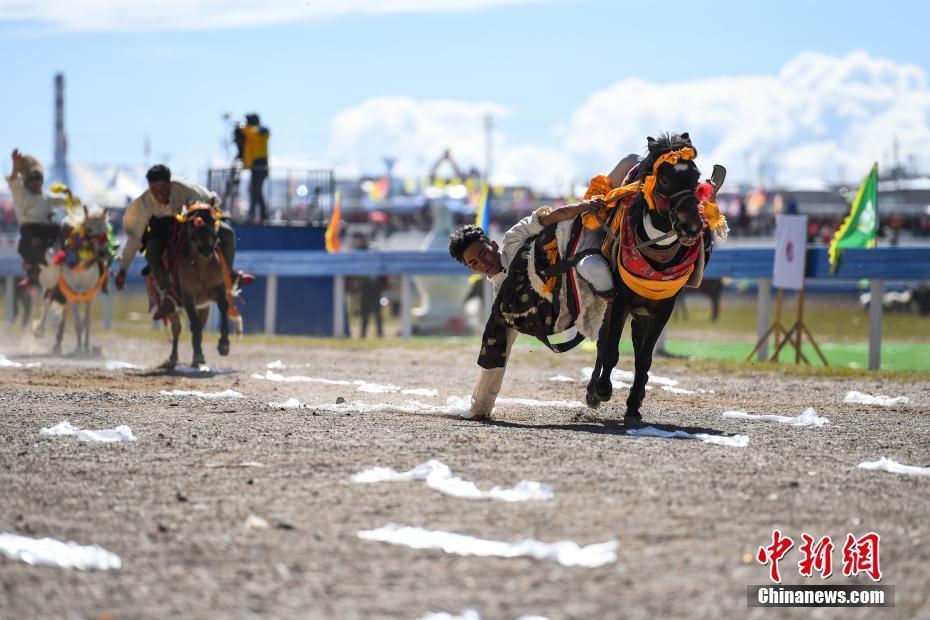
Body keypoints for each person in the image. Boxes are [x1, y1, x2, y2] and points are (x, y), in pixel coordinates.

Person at [449, 199, 614, 420]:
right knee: (494, 342)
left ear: (494, 245)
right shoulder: (503, 308)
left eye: (483, 254)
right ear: (470, 269)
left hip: (583, 267)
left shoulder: (513, 238)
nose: (483, 263)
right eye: (474, 263)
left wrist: (583, 206)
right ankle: (481, 405)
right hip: (565, 319)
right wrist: (480, 409)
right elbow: (495, 357)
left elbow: (550, 218)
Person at [114, 164, 253, 318]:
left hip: (189, 225)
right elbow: (134, 239)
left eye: (163, 190)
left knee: (227, 233)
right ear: (149, 187)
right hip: (161, 229)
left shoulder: (184, 189)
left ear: (170, 184)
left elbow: (207, 201)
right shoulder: (143, 204)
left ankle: (229, 277)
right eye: (155, 191)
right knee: (152, 251)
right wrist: (123, 270)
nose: (159, 195)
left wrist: (207, 209)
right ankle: (167, 294)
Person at [5, 149, 67, 286]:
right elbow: (14, 182)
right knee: (32, 248)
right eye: (32, 179)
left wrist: (71, 199)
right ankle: (32, 273)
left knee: (66, 231)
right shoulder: (22, 195)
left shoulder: (45, 197)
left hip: (48, 230)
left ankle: (68, 262)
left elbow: (61, 200)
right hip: (31, 230)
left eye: (38, 178)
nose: (36, 182)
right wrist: (15, 164)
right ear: (27, 182)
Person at [235, 113, 270, 224]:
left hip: (260, 164)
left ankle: (253, 215)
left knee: (255, 190)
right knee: (255, 191)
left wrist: (242, 127)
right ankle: (262, 214)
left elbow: (252, 132)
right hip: (255, 165)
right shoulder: (250, 131)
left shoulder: (262, 131)